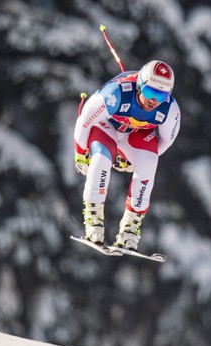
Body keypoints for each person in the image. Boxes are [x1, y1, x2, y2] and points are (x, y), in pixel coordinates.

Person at [73, 60, 181, 251]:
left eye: (161, 95)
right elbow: (84, 121)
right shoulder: (117, 93)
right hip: (107, 127)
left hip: (135, 135)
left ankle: (130, 230)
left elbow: (164, 143)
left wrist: (133, 161)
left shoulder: (169, 110)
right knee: (100, 161)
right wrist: (80, 153)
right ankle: (94, 222)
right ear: (139, 85)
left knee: (149, 162)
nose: (153, 101)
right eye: (149, 92)